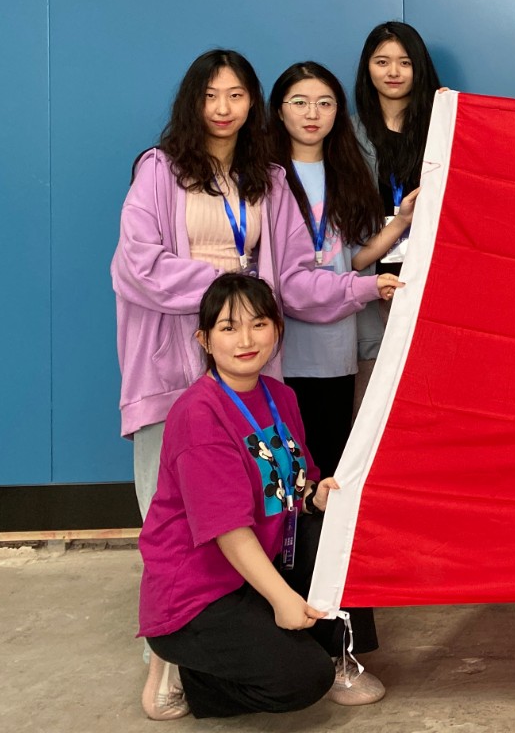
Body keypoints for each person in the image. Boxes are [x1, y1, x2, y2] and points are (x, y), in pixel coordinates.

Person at [113, 49, 397, 516]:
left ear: (252, 102)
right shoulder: (160, 169)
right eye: (210, 96)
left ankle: (250, 566)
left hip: (246, 354)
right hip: (170, 354)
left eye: (236, 95)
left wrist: (365, 288)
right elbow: (137, 265)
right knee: (172, 498)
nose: (223, 108)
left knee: (249, 493)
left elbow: (292, 280)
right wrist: (231, 287)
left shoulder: (269, 179)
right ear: (192, 102)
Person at [139, 274, 383, 719]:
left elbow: (293, 486)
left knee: (336, 527)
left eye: (259, 324)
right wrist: (281, 599)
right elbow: (228, 530)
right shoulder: (199, 414)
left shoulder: (280, 397)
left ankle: (339, 654)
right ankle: (188, 673)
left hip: (256, 567)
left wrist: (315, 497)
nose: (246, 340)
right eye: (229, 327)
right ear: (204, 339)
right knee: (302, 680)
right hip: (199, 590)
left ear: (277, 329)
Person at [270, 61, 418, 684]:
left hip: (331, 359)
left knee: (333, 496)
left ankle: (342, 646)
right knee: (283, 499)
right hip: (274, 361)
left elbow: (351, 260)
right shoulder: (265, 177)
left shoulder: (343, 170)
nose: (312, 114)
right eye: (299, 101)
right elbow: (293, 283)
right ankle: (285, 632)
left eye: (325, 103)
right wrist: (361, 289)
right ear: (278, 109)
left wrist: (399, 224)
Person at [352, 22, 443, 372]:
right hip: (373, 284)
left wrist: (453, 115)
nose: (393, 72)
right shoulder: (347, 134)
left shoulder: (442, 128)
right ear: (367, 68)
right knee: (373, 385)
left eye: (405, 62)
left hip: (431, 282)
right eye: (382, 61)